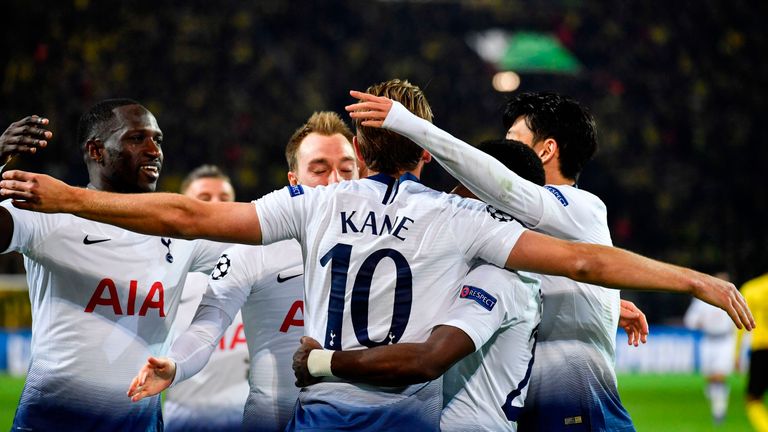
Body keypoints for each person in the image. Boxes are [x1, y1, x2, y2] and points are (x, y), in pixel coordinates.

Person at [0, 81, 753, 430]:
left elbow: (185, 216)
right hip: (407, 418)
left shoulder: (314, 206)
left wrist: (72, 197)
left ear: (358, 152)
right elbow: (586, 261)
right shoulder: (461, 220)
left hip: (322, 415)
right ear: (428, 157)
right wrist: (695, 279)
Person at [344, 89, 653, 430]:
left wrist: (412, 127)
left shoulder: (578, 205)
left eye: (513, 139)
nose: (498, 158)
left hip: (583, 415)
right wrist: (593, 298)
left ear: (546, 150)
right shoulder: (509, 225)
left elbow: (508, 196)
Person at [0, 100, 228, 431]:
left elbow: (263, 245)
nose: (154, 151)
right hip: (50, 421)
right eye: (137, 139)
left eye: (158, 140)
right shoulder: (50, 213)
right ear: (96, 150)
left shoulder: (183, 233)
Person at [129, 111, 358, 432]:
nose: (335, 181)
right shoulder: (253, 250)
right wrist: (176, 365)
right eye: (319, 170)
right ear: (293, 181)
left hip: (364, 419)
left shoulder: (392, 242)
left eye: (347, 169)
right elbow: (206, 327)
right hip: (275, 419)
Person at [163, 164, 249, 431]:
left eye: (224, 199)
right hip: (187, 421)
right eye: (204, 199)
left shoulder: (257, 269)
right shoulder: (168, 276)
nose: (216, 206)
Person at [683, 271, 737, 425]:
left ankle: (719, 410)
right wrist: (700, 322)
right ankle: (717, 400)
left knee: (719, 376)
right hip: (708, 340)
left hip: (725, 340)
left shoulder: (733, 299)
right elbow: (690, 321)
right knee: (710, 378)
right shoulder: (702, 301)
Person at [737, 273, 768, 432]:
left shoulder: (752, 288)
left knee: (753, 399)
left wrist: (736, 355)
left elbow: (741, 324)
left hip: (762, 350)